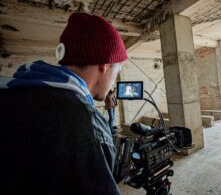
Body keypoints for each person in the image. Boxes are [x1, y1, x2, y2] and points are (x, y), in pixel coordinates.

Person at [0, 13, 127, 194]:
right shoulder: (88, 125)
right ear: (105, 65)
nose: (114, 80)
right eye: (118, 68)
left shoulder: (16, 89)